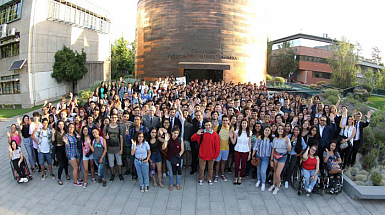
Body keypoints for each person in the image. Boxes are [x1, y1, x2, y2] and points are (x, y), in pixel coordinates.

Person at [190, 119, 220, 186]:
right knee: (201, 168)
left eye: (209, 125)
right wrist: (196, 134)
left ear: (211, 125)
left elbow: (217, 146)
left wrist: (216, 156)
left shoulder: (215, 134)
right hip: (202, 154)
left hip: (211, 155)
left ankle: (209, 178)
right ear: (204, 125)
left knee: (210, 168)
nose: (208, 126)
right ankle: (201, 179)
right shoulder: (201, 133)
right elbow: (192, 139)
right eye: (206, 125)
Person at [269, 125, 291, 195]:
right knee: (275, 171)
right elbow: (273, 149)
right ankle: (273, 184)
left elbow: (289, 150)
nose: (280, 130)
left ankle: (277, 187)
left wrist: (287, 143)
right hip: (275, 155)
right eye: (279, 129)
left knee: (278, 173)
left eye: (282, 129)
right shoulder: (275, 138)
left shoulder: (286, 138)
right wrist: (271, 159)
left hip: (282, 156)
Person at [104, 113, 124, 182]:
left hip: (117, 148)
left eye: (115, 117)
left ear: (117, 118)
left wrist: (121, 149)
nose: (114, 119)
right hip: (110, 148)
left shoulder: (119, 127)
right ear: (110, 118)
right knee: (111, 163)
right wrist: (106, 137)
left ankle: (120, 173)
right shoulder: (106, 127)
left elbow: (121, 138)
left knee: (119, 162)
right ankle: (112, 174)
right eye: (112, 117)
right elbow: (104, 137)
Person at [163, 126, 185, 191]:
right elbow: (163, 148)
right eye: (174, 133)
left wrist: (178, 156)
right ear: (171, 133)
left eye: (177, 133)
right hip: (169, 159)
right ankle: (171, 184)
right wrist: (165, 141)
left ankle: (178, 184)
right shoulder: (169, 140)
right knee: (171, 172)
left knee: (178, 172)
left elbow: (182, 149)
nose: (176, 135)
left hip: (178, 159)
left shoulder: (180, 139)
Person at [214, 115, 233, 182]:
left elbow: (233, 138)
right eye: (224, 120)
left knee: (223, 162)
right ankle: (216, 175)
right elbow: (213, 135)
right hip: (218, 148)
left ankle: (222, 174)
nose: (225, 122)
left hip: (226, 148)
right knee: (217, 162)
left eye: (226, 120)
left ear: (228, 121)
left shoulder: (231, 128)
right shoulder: (218, 127)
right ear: (222, 121)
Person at [253, 126, 273, 191]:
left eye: (268, 130)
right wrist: (253, 155)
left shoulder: (271, 140)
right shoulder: (260, 138)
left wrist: (271, 158)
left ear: (270, 132)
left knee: (263, 171)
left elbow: (272, 149)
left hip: (266, 158)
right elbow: (255, 147)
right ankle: (259, 180)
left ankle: (263, 182)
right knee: (258, 169)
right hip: (258, 156)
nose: (266, 131)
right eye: (265, 130)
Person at [233, 119, 252, 185]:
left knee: (243, 165)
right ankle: (236, 177)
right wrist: (230, 136)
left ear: (247, 124)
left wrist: (250, 153)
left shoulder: (249, 132)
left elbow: (249, 143)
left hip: (245, 150)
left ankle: (240, 177)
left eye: (245, 123)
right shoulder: (237, 131)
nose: (244, 125)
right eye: (243, 123)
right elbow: (234, 141)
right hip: (237, 149)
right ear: (241, 124)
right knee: (237, 164)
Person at [52, 120, 70, 185]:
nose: (61, 126)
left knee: (66, 163)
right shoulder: (56, 132)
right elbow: (53, 140)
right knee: (61, 164)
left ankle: (67, 174)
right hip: (58, 149)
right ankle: (59, 178)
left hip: (64, 148)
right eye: (59, 124)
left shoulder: (66, 132)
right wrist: (53, 134)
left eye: (62, 124)